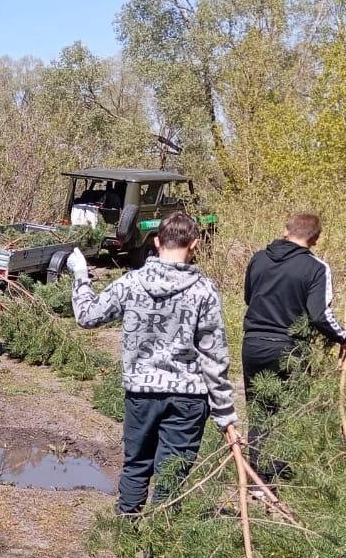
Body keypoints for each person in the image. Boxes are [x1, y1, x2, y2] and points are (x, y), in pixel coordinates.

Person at [67, 212, 240, 524]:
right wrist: (225, 414)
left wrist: (80, 274)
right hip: (188, 397)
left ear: (157, 242)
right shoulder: (204, 290)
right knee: (171, 478)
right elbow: (214, 356)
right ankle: (156, 557)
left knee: (136, 467)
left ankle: (126, 541)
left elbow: (87, 316)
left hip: (142, 393)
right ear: (195, 244)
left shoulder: (132, 283)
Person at [242, 212, 346, 479]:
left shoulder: (258, 258)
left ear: (285, 231)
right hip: (289, 348)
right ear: (315, 239)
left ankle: (258, 475)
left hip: (253, 343)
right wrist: (344, 337)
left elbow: (250, 297)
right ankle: (276, 473)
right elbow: (319, 315)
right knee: (289, 410)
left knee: (259, 409)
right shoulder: (316, 268)